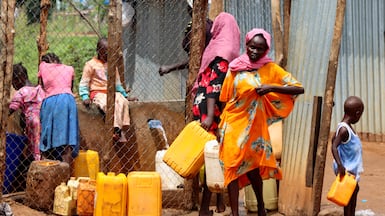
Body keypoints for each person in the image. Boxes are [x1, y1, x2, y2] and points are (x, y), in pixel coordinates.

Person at [218, 28, 304, 216]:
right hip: (233, 124)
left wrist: (271, 87)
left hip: (255, 127)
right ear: (246, 45)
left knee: (253, 168)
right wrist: (220, 126)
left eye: (260, 48)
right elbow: (225, 97)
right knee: (231, 166)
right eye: (251, 47)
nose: (255, 52)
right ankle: (234, 213)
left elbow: (298, 88)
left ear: (266, 50)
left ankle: (261, 208)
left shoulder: (271, 69)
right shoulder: (235, 67)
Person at [193, 12, 240, 216]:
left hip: (203, 107)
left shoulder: (214, 48)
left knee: (214, 156)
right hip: (212, 112)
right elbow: (214, 87)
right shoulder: (225, 52)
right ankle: (205, 208)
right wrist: (212, 117)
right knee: (214, 158)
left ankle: (219, 204)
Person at [79, 37, 138, 142]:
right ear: (98, 51)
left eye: (109, 53)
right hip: (97, 93)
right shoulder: (90, 65)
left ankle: (119, 128)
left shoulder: (111, 65)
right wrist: (85, 96)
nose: (107, 55)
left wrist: (125, 95)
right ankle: (116, 129)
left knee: (122, 101)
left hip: (111, 92)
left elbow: (117, 83)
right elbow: (84, 83)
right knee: (106, 103)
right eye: (104, 52)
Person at [38, 53, 80, 164]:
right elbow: (70, 87)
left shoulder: (43, 66)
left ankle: (47, 168)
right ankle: (66, 174)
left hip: (51, 101)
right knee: (67, 140)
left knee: (47, 136)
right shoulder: (69, 69)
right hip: (68, 101)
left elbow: (42, 86)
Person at [158, 3, 213, 76]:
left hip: (203, 72)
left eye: (189, 6)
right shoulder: (205, 24)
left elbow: (197, 59)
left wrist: (170, 68)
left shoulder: (200, 28)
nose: (187, 7)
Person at [331, 96, 364, 216]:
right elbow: (334, 146)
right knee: (350, 196)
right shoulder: (344, 130)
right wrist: (340, 165)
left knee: (351, 195)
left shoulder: (343, 126)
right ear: (357, 113)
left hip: (350, 171)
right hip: (347, 170)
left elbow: (333, 140)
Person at [9, 63, 45, 161]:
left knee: (34, 145)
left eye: (13, 81)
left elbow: (12, 108)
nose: (13, 85)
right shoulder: (39, 89)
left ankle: (36, 164)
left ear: (20, 78)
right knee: (42, 145)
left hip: (33, 122)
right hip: (44, 119)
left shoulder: (21, 92)